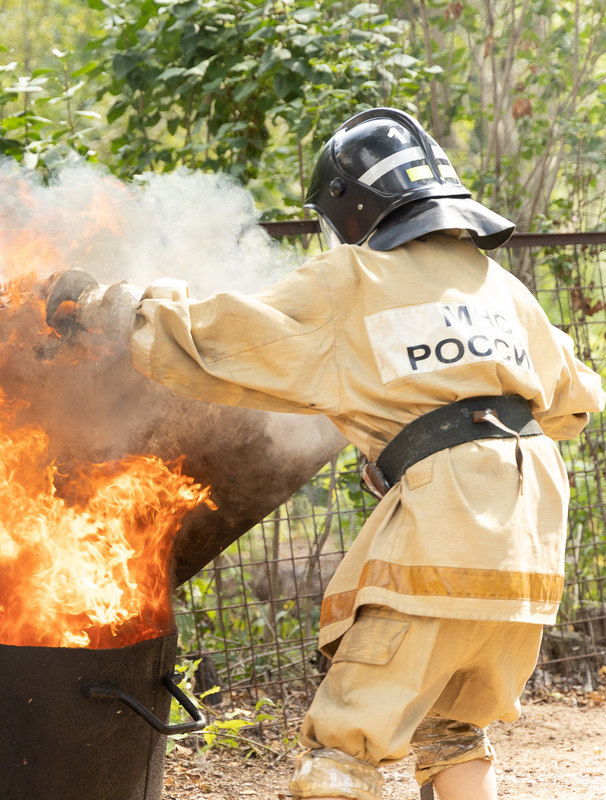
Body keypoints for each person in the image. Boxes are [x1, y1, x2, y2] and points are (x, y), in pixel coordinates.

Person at [45, 107, 605, 800]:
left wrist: (107, 306)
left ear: (353, 205)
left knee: (346, 746)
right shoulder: (503, 289)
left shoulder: (353, 279)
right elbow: (574, 404)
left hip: (449, 522)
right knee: (454, 725)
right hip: (533, 532)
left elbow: (225, 336)